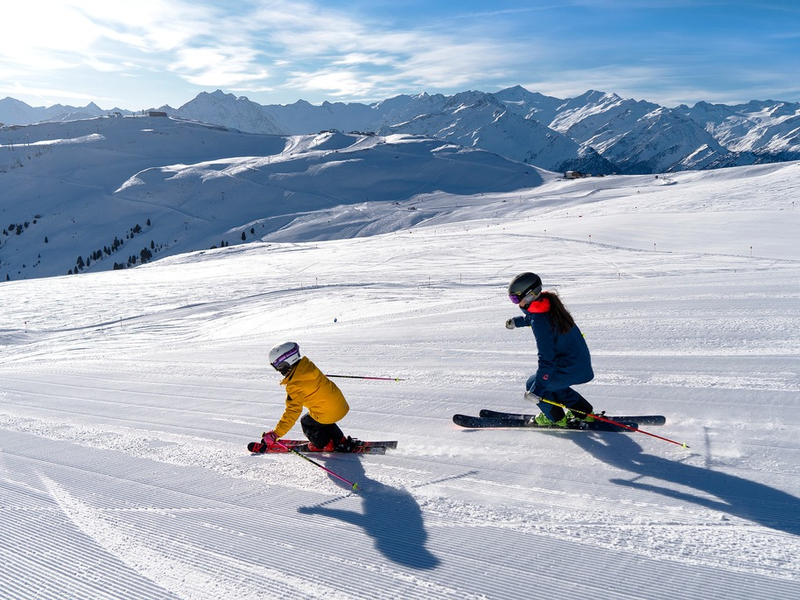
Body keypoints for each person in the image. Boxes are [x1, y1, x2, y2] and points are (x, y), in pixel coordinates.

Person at [505, 272, 596, 427]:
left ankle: (555, 418)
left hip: (570, 369)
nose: (515, 302)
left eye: (515, 298)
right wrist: (517, 322)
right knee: (556, 385)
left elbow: (546, 358)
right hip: (580, 366)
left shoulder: (540, 322)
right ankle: (585, 414)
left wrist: (537, 390)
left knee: (533, 383)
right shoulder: (549, 304)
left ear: (529, 295)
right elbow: (534, 317)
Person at [261, 341, 355, 452]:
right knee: (319, 417)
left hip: (328, 413)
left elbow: (292, 411)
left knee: (307, 422)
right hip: (341, 406)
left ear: (285, 363)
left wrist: (276, 433)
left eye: (278, 366)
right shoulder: (308, 366)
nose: (278, 370)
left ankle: (324, 444)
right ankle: (340, 439)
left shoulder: (295, 385)